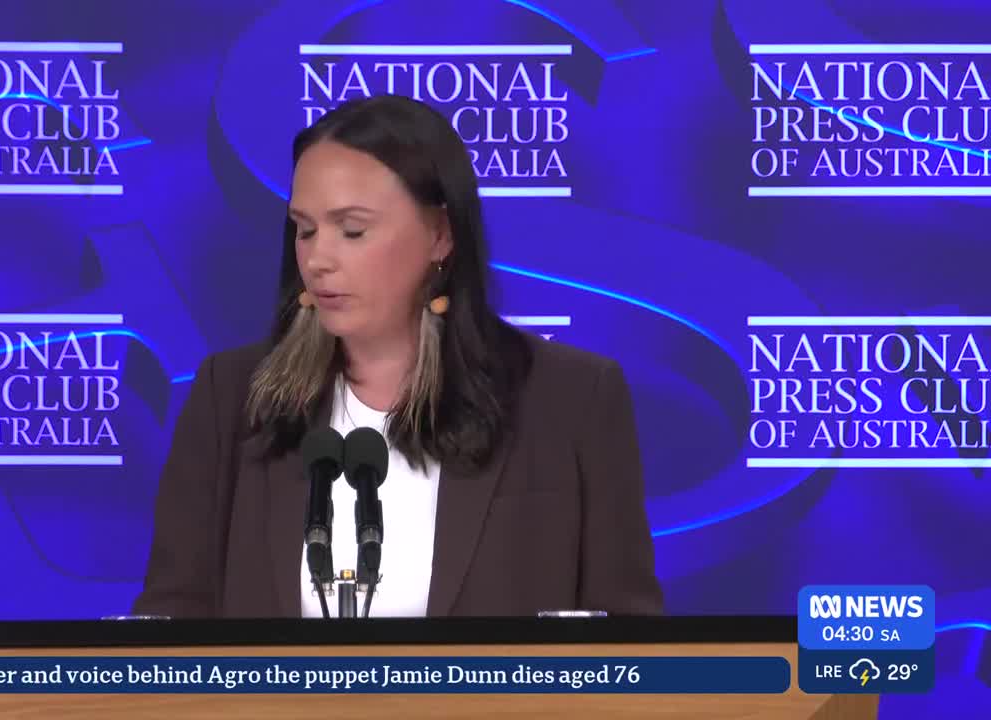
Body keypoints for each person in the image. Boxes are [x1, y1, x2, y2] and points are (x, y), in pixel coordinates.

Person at [131, 94, 662, 618]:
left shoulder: (571, 399)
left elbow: (632, 640)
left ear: (441, 235)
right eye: (305, 229)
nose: (318, 259)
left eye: (353, 230)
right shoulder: (232, 397)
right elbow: (171, 630)